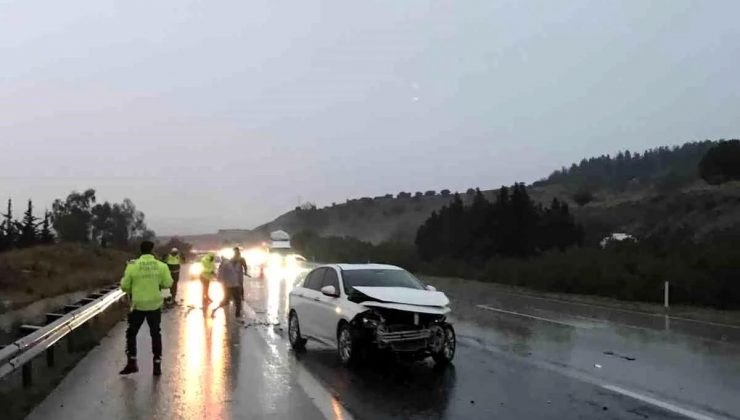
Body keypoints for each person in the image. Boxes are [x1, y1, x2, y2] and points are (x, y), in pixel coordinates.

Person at [119, 240, 173, 376]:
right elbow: (168, 283)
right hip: (154, 305)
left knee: (131, 333)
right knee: (155, 334)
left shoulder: (132, 266)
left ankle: (132, 362)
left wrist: (134, 287)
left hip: (138, 305)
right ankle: (157, 364)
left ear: (140, 250)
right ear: (152, 250)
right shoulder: (161, 266)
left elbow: (124, 286)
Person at [212, 252, 244, 318]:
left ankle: (237, 315)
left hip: (234, 285)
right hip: (228, 285)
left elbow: (239, 274)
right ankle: (214, 310)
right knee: (226, 301)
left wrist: (240, 282)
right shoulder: (226, 265)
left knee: (238, 300)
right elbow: (221, 274)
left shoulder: (236, 265)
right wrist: (221, 282)